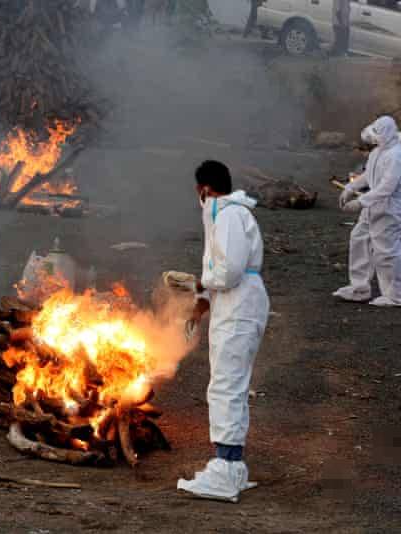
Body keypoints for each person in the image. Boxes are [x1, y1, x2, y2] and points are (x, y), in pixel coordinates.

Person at [175, 160, 270, 503]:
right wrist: (201, 303)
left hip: (239, 303)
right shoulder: (226, 214)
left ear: (204, 189)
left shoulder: (228, 216)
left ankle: (225, 469)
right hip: (236, 303)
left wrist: (201, 283)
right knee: (231, 383)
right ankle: (235, 466)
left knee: (226, 385)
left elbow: (227, 272)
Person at [334, 116, 401, 307]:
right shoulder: (377, 152)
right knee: (359, 239)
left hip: (389, 209)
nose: (374, 137)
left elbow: (387, 187)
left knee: (386, 251)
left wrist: (360, 202)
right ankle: (360, 288)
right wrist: (350, 188)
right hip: (373, 207)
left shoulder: (397, 156)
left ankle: (395, 296)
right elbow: (369, 176)